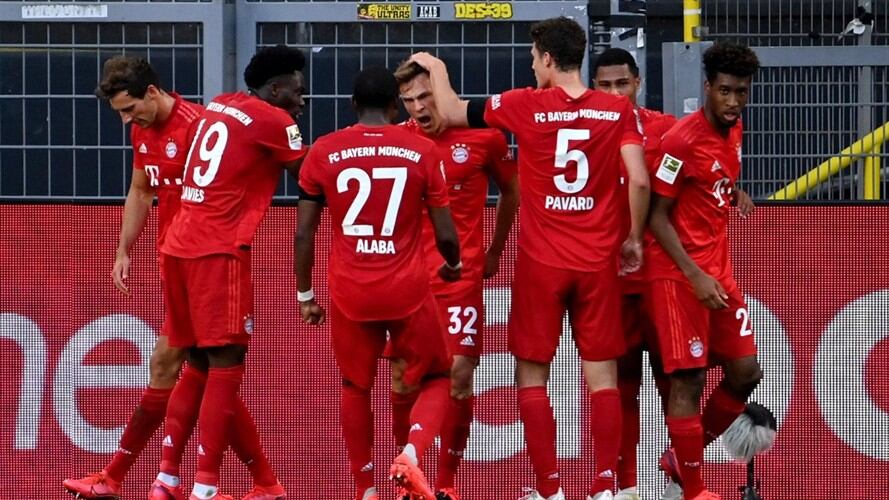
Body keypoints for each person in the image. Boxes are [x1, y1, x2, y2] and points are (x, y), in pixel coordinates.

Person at [410, 16, 650, 500]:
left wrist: (434, 65)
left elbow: (454, 110)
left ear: (544, 57)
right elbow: (640, 179)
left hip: (542, 263)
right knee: (602, 377)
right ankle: (605, 487)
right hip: (597, 261)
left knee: (532, 374)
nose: (531, 64)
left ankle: (549, 489)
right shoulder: (615, 109)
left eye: (532, 56)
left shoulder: (525, 105)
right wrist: (634, 238)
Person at [63, 56, 283, 500]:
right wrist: (125, 249)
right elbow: (142, 189)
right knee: (206, 371)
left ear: (152, 92)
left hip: (209, 264)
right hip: (176, 262)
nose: (127, 120)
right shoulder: (142, 131)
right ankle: (262, 483)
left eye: (130, 109)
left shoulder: (199, 125)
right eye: (120, 114)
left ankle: (124, 476)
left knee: (181, 365)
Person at [294, 66, 461, 500]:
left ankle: (365, 488)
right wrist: (453, 263)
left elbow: (303, 233)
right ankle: (410, 453)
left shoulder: (323, 152)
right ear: (395, 105)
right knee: (438, 376)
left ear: (353, 104)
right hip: (406, 289)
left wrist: (305, 294)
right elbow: (445, 233)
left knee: (355, 387)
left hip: (350, 292)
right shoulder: (423, 151)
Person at [150, 44, 308, 500]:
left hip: (179, 244)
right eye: (297, 91)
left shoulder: (222, 102)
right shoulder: (277, 122)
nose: (303, 99)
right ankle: (207, 486)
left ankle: (167, 478)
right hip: (217, 251)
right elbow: (310, 177)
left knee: (195, 363)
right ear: (275, 89)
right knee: (227, 365)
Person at [389, 59, 519, 500]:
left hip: (459, 278)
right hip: (407, 282)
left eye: (424, 96)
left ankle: (446, 482)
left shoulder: (485, 137)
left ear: (441, 91)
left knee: (460, 375)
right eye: (408, 100)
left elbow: (512, 192)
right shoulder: (399, 140)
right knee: (404, 380)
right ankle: (408, 475)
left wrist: (495, 251)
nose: (419, 108)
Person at [646, 41, 762, 500]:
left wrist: (734, 192)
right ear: (708, 87)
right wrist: (694, 274)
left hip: (720, 272)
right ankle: (694, 489)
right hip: (680, 277)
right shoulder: (679, 142)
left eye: (742, 93)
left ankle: (681, 457)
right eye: (726, 92)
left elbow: (715, 177)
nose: (734, 102)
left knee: (747, 372)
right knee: (689, 379)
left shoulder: (735, 130)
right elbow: (657, 216)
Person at [592, 48, 677, 500]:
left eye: (620, 83)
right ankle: (624, 486)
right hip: (608, 277)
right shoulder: (584, 132)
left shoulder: (665, 129)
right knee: (621, 382)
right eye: (603, 85)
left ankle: (676, 481)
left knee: (674, 381)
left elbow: (694, 175)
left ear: (637, 83)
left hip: (659, 276)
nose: (613, 93)